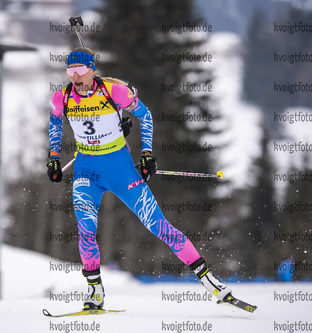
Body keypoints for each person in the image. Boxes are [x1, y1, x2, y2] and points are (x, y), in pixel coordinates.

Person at [46, 47, 231, 310]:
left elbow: (145, 116)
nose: (75, 76)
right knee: (86, 228)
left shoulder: (115, 92)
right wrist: (54, 156)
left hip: (119, 167)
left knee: (157, 224)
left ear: (92, 69)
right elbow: (55, 123)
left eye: (81, 70)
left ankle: (209, 280)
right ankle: (95, 291)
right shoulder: (61, 97)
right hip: (86, 168)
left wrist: (146, 154)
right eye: (70, 70)